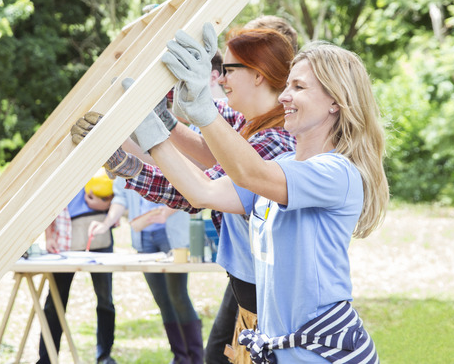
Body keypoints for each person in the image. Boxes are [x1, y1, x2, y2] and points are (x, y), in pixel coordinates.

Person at [144, 24, 389, 362]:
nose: (285, 96)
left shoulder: (336, 173)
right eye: (287, 85)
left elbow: (250, 172)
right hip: (281, 348)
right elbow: (202, 192)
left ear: (336, 102)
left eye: (299, 87)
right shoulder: (284, 162)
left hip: (321, 353)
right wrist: (154, 135)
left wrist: (203, 110)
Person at [71, 27, 297, 363]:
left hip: (269, 295)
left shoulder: (274, 142)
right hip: (249, 285)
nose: (219, 80)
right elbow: (210, 149)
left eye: (229, 70)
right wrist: (165, 119)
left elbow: (200, 190)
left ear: (258, 76)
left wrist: (129, 162)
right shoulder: (250, 124)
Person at [89, 177, 203, 363]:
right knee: (162, 300)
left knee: (178, 296)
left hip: (171, 234)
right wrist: (105, 224)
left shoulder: (165, 150)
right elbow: (120, 198)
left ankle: (195, 358)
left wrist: (166, 212)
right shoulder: (126, 159)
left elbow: (189, 190)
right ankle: (180, 357)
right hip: (144, 238)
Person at [37, 169, 117, 364]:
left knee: (105, 298)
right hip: (65, 237)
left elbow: (117, 196)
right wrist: (48, 236)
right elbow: (47, 202)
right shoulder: (59, 167)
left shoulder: (100, 160)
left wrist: (105, 203)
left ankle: (104, 357)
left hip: (98, 233)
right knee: (55, 300)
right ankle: (46, 358)